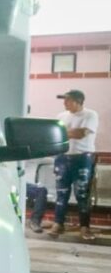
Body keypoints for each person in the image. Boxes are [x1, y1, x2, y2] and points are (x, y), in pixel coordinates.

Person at [49, 89, 99, 241]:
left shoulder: (90, 115)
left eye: (68, 100)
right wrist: (68, 132)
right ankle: (58, 223)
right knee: (61, 193)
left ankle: (84, 227)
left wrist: (63, 132)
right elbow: (54, 135)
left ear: (79, 101)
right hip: (62, 157)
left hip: (82, 158)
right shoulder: (61, 116)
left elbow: (81, 134)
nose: (65, 103)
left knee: (82, 194)